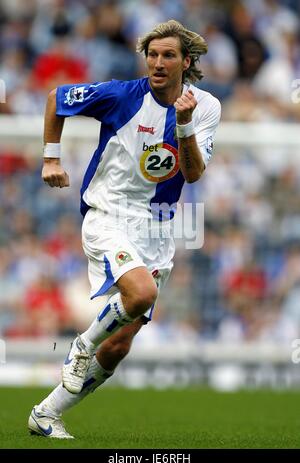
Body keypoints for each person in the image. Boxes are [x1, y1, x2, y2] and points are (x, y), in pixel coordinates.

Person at [28, 19, 221, 439]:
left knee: (117, 347)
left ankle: (46, 413)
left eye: (168, 55)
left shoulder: (205, 106)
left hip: (158, 229)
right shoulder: (120, 95)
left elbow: (191, 174)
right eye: (152, 55)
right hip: (109, 213)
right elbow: (56, 97)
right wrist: (50, 158)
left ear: (186, 62)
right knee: (142, 293)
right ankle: (80, 346)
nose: (157, 62)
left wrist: (184, 125)